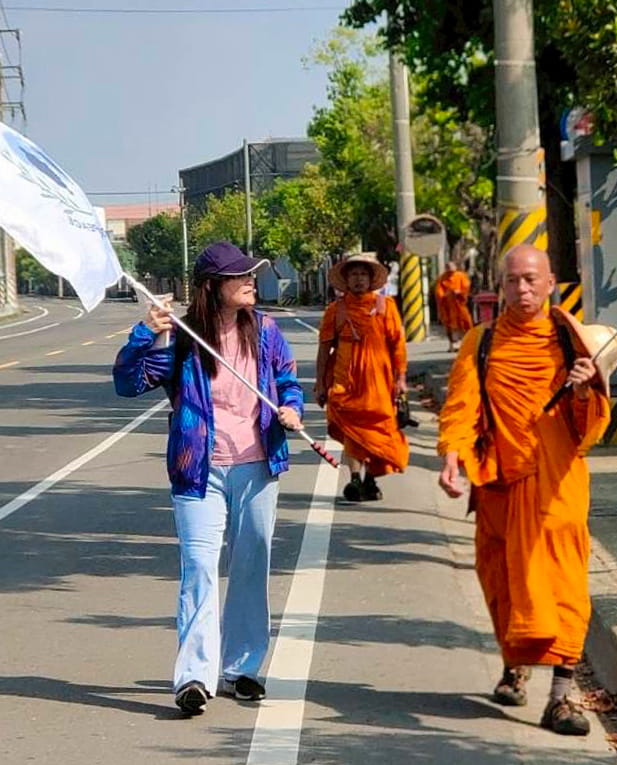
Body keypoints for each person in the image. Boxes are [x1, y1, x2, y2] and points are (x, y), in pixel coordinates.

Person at [113, 240, 304, 716]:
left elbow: (289, 382)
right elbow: (128, 382)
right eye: (239, 277)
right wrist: (144, 332)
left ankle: (241, 668)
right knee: (198, 569)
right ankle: (195, 676)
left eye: (250, 275)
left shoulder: (266, 331)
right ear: (211, 287)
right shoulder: (181, 338)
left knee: (250, 565)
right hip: (199, 471)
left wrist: (291, 410)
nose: (250, 282)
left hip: (258, 466)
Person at [436, 244, 613, 736]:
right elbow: (461, 407)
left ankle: (562, 696)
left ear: (552, 282)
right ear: (500, 285)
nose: (523, 289)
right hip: (499, 483)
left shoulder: (570, 341)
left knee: (563, 587)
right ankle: (515, 663)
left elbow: (591, 428)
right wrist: (452, 453)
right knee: (503, 584)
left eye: (532, 279)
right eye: (513, 280)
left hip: (558, 484)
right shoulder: (482, 341)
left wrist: (584, 390)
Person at [315, 252, 409, 502]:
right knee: (352, 432)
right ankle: (355, 479)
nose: (358, 279)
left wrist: (400, 378)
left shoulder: (385, 307)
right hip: (346, 382)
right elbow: (324, 348)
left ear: (371, 279)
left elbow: (398, 345)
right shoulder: (336, 310)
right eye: (354, 274)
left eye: (363, 274)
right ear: (346, 279)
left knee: (379, 432)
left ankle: (370, 479)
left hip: (379, 384)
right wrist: (320, 383)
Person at [435, 262, 474, 352]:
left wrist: (459, 292)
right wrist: (444, 296)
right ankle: (453, 344)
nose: (450, 270)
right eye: (448, 267)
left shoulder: (461, 276)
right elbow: (438, 291)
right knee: (450, 326)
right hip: (448, 306)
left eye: (451, 267)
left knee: (465, 323)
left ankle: (466, 343)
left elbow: (466, 287)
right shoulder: (442, 278)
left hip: (459, 305)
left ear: (455, 267)